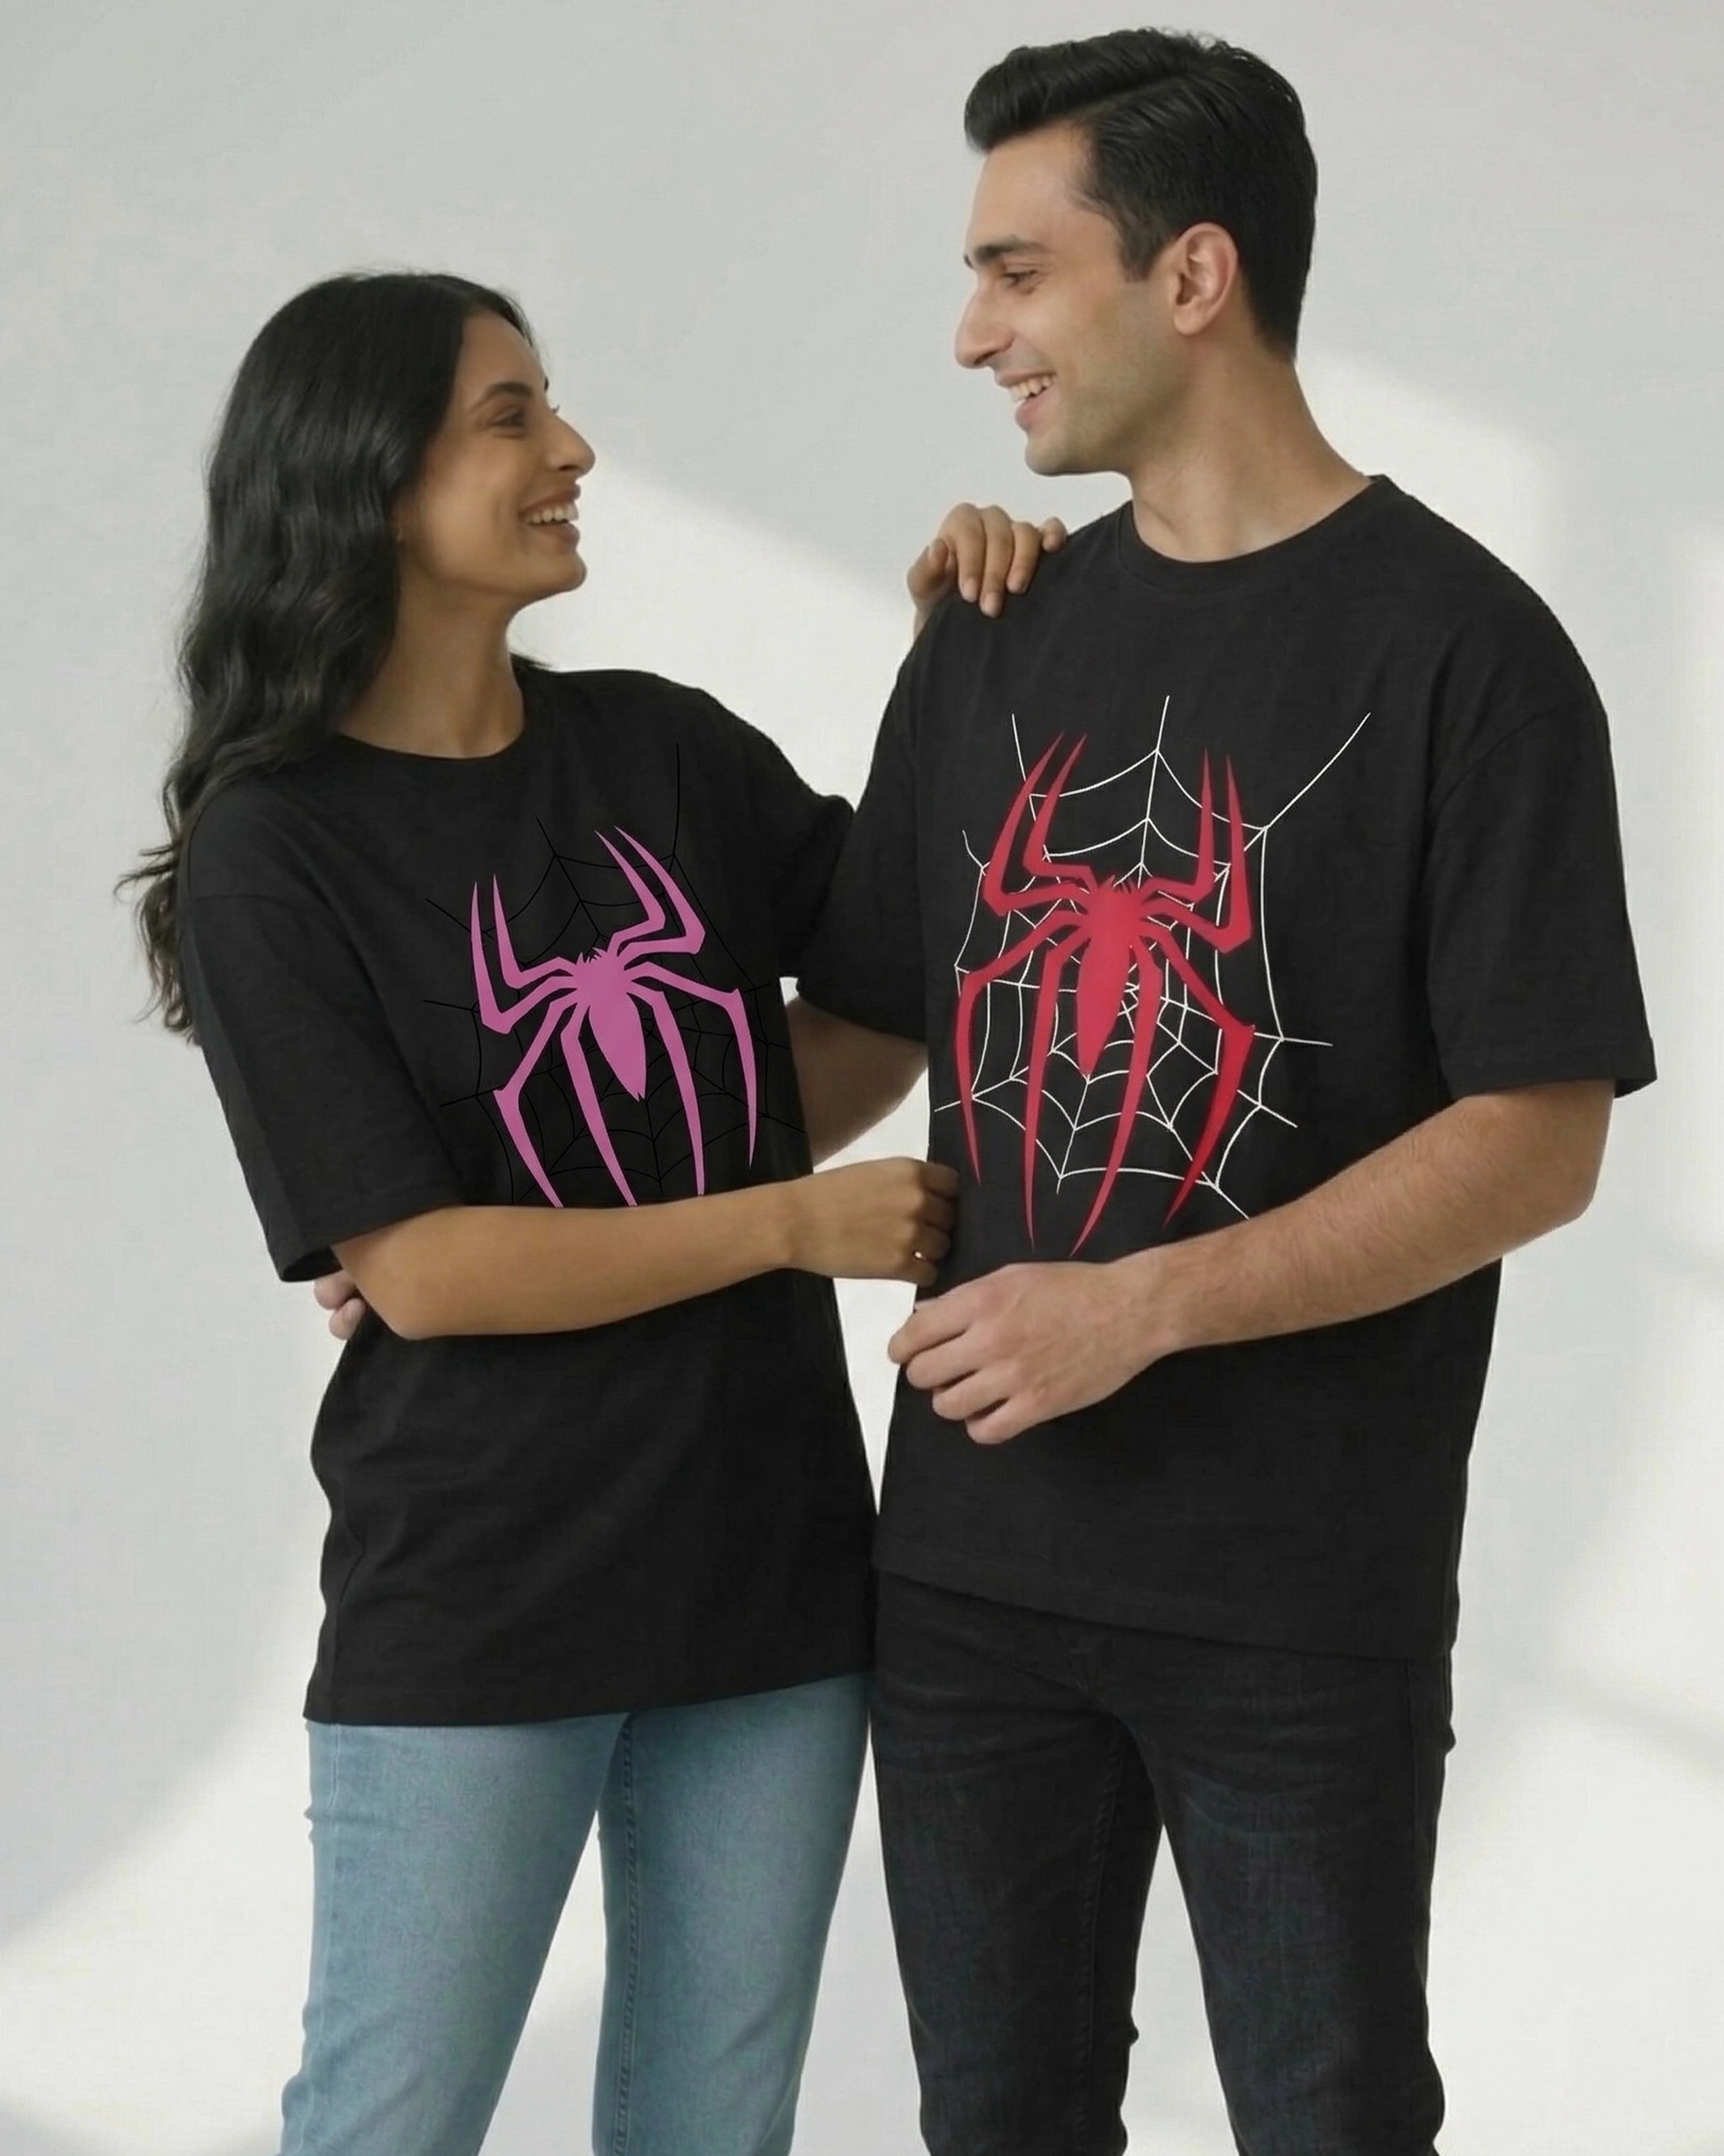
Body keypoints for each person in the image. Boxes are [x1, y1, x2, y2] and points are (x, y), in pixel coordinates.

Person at [784, 28, 1655, 2156]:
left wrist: (1142, 1305)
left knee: (1326, 2117)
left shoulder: (1468, 655)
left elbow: (1538, 1134)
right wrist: (504, 1203)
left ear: (1190, 275)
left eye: (1016, 271)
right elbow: (874, 1022)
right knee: (995, 2119)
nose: (971, 333)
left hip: (1297, 1593)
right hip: (969, 1573)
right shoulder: (991, 625)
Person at [123, 268, 1059, 2156]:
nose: (573, 449)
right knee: (388, 2123)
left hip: (771, 1584)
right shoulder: (272, 849)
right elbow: (423, 1268)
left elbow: (878, 995)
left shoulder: (660, 749)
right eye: (510, 417)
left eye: (551, 405)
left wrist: (956, 661)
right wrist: (781, 1227)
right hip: (487, 1602)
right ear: (371, 478)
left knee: (713, 2125)